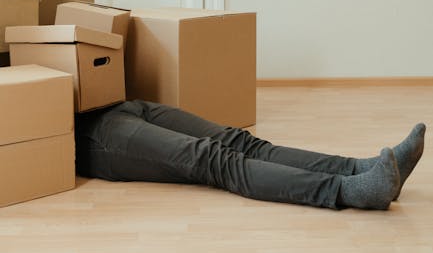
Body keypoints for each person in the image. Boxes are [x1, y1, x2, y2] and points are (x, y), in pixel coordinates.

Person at [74, 99, 426, 211]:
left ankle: (362, 168)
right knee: (216, 160)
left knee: (241, 141)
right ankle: (349, 191)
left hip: (119, 104)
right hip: (95, 136)